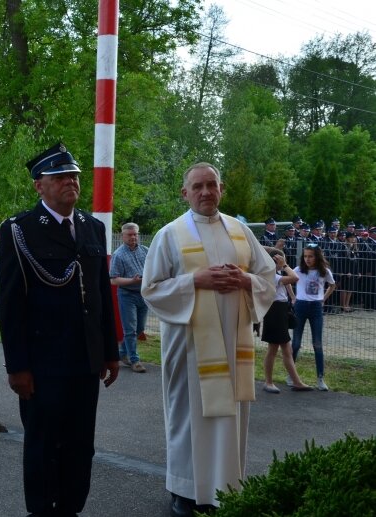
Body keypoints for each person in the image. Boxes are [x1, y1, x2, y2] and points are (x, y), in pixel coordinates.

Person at [141, 162, 275, 516]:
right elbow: (151, 289)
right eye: (197, 186)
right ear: (185, 193)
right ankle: (185, 492)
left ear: (222, 188)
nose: (205, 192)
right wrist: (193, 281)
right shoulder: (169, 234)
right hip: (188, 350)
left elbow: (267, 275)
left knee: (230, 415)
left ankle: (227, 489)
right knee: (190, 417)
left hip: (233, 347)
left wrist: (247, 282)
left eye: (211, 185)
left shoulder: (240, 232)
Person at [0, 143, 119, 516]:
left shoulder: (92, 227)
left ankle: (71, 508)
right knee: (43, 444)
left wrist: (111, 352)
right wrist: (17, 366)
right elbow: (10, 304)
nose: (71, 182)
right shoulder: (20, 230)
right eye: (61, 176)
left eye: (75, 176)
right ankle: (42, 509)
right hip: (43, 363)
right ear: (39, 186)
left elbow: (100, 293)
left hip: (85, 360)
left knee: (82, 444)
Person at [260, 248, 312, 393]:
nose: (284, 262)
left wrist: (293, 297)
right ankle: (268, 382)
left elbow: (288, 283)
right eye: (281, 259)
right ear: (275, 261)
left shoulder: (275, 274)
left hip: (281, 309)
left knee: (286, 349)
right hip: (274, 311)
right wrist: (285, 266)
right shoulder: (270, 275)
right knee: (273, 349)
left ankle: (296, 382)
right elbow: (295, 278)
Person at [291, 243, 336, 391]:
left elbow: (332, 285)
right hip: (300, 307)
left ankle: (320, 378)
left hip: (316, 307)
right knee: (296, 342)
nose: (307, 259)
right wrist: (293, 297)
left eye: (311, 256)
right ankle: (291, 375)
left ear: (317, 257)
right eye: (305, 256)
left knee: (317, 344)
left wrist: (323, 298)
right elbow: (286, 281)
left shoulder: (324, 271)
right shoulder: (298, 270)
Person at [110, 222, 149, 373]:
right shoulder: (118, 255)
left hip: (143, 293)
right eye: (130, 234)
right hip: (127, 295)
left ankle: (121, 353)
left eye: (135, 234)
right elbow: (114, 279)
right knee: (130, 330)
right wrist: (133, 281)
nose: (133, 237)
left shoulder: (146, 250)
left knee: (140, 328)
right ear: (122, 236)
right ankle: (135, 360)